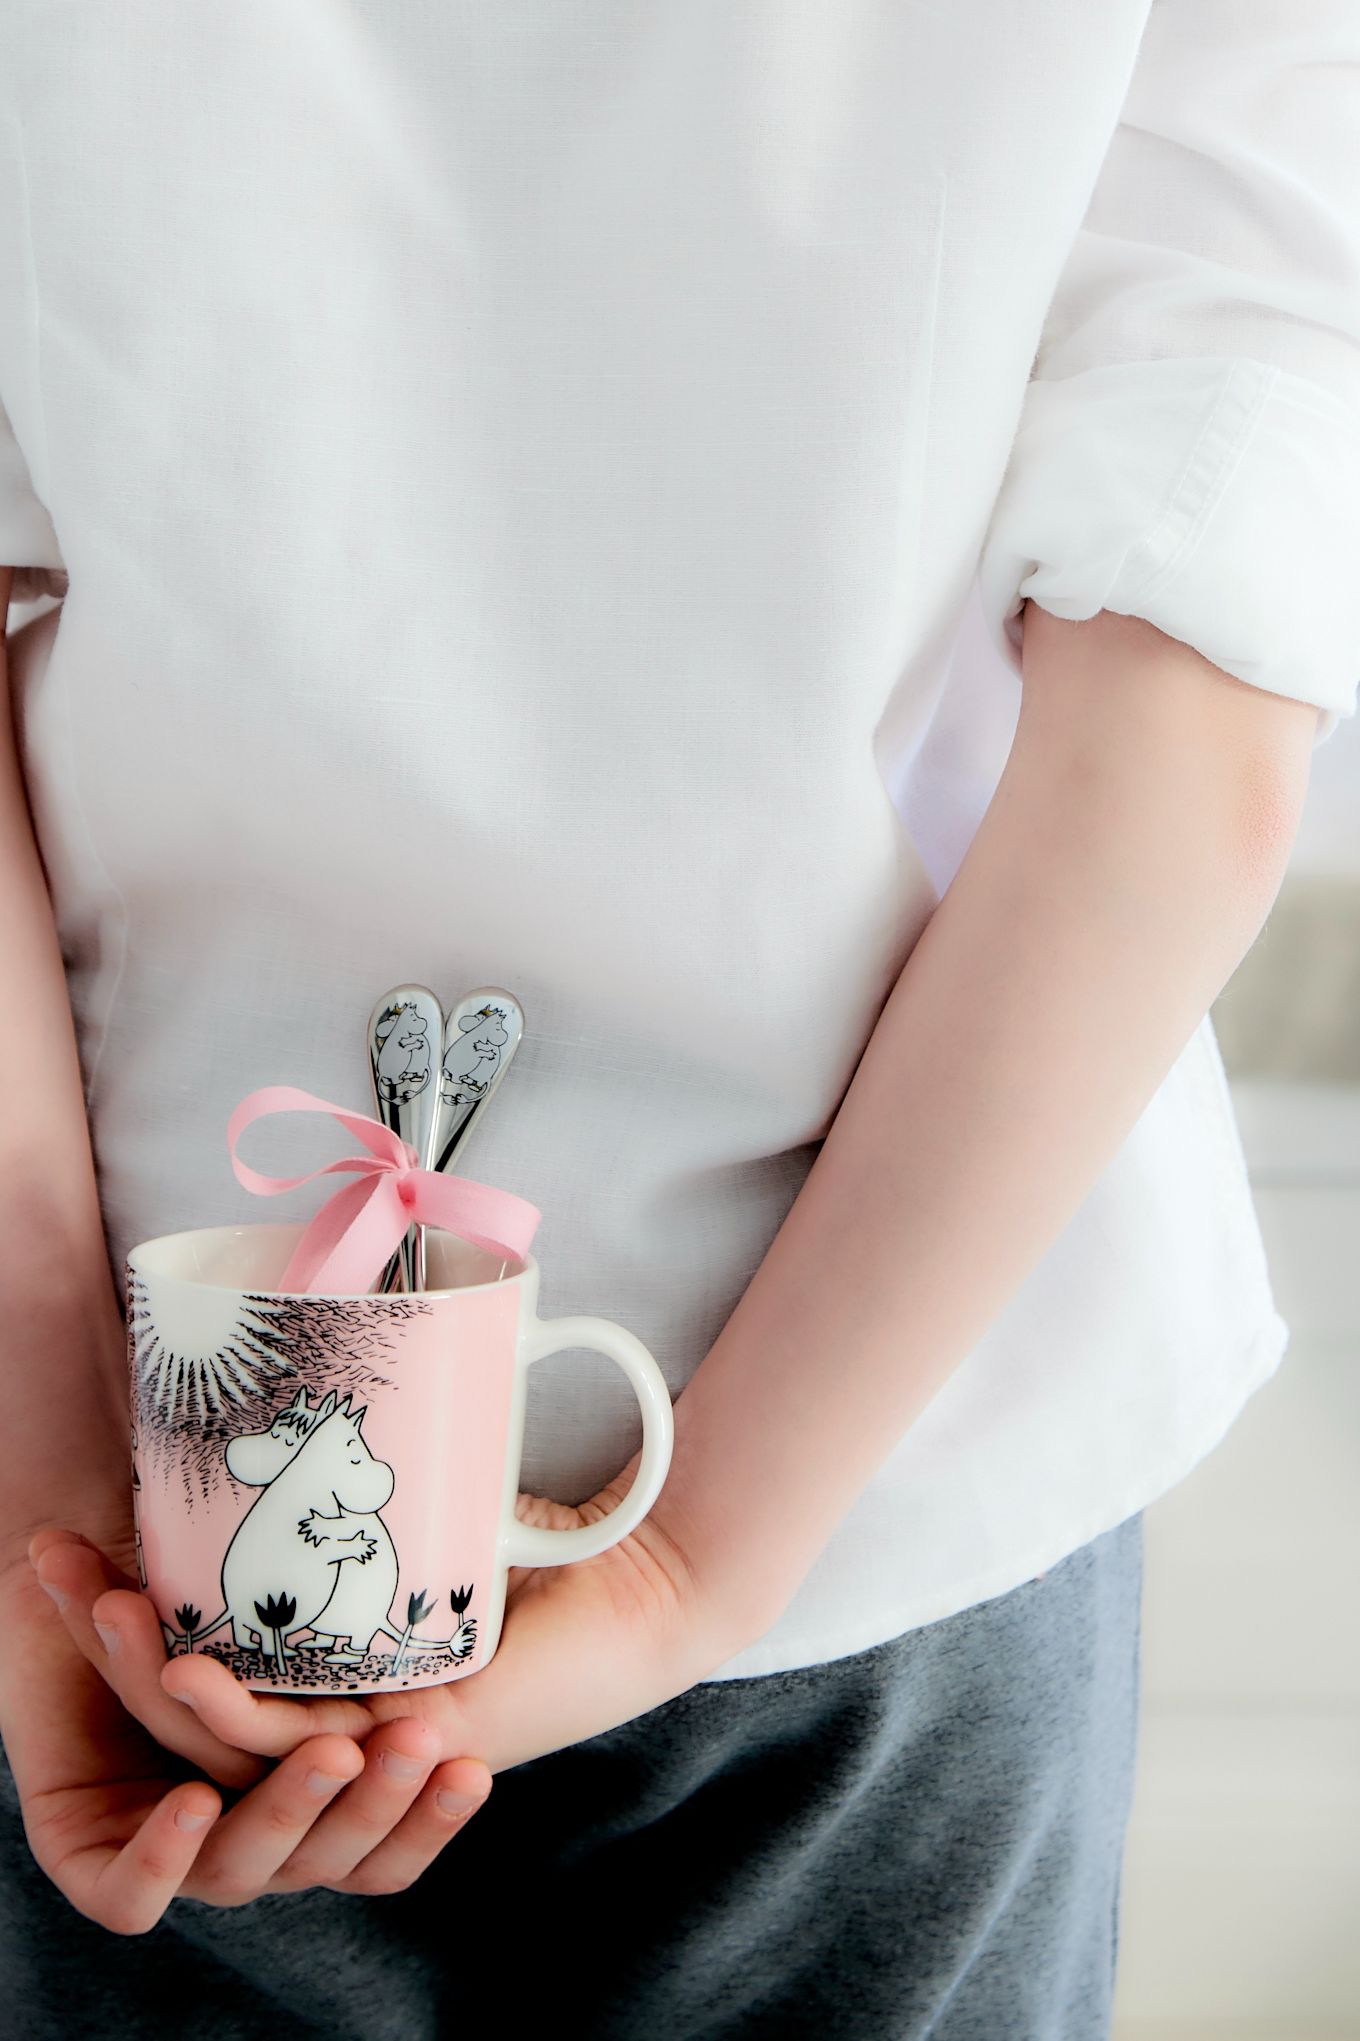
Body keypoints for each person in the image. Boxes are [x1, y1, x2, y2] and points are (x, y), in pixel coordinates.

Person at [0, 4, 1355, 2036]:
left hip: (144, 1495)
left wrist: (58, 1496)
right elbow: (1190, 696)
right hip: (886, 1462)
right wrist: (690, 1563)